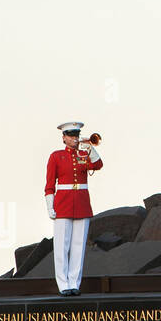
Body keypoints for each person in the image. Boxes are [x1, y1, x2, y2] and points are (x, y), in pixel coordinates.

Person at [45, 121, 102, 296]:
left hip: (82, 203)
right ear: (63, 138)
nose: (75, 139)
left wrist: (90, 148)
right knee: (62, 245)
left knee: (79, 246)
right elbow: (49, 185)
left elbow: (98, 165)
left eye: (76, 135)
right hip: (63, 204)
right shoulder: (56, 156)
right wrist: (50, 206)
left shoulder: (84, 155)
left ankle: (74, 283)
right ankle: (63, 284)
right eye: (71, 135)